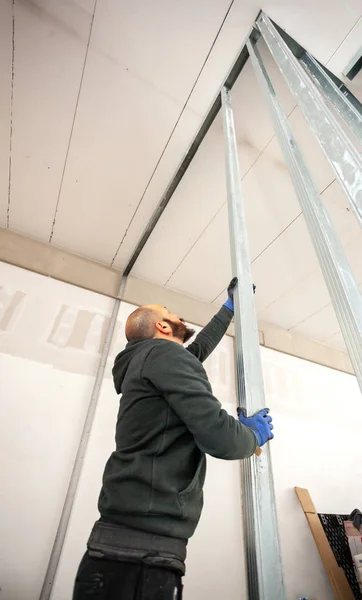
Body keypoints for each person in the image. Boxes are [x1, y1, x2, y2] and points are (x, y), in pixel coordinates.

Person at [73, 278, 274, 599]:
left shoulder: (144, 363)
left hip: (118, 549)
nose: (179, 316)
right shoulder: (164, 357)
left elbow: (195, 352)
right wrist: (252, 436)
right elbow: (220, 438)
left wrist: (228, 311)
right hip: (142, 557)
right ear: (163, 327)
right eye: (170, 313)